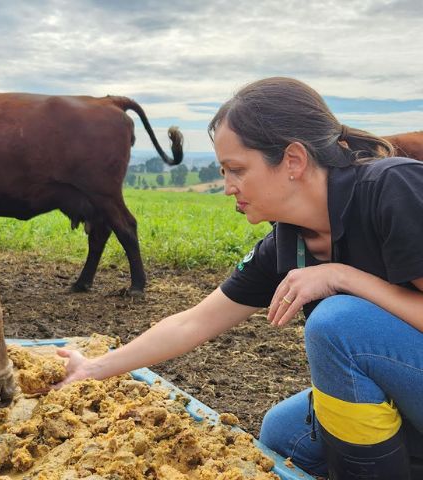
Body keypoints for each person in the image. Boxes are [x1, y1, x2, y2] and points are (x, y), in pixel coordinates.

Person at [55, 77, 423, 479]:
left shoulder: (393, 189)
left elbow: (350, 316)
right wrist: (93, 368)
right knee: (283, 434)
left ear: (293, 161)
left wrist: (344, 277)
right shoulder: (288, 240)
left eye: (237, 170)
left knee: (338, 323)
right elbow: (193, 322)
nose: (228, 187)